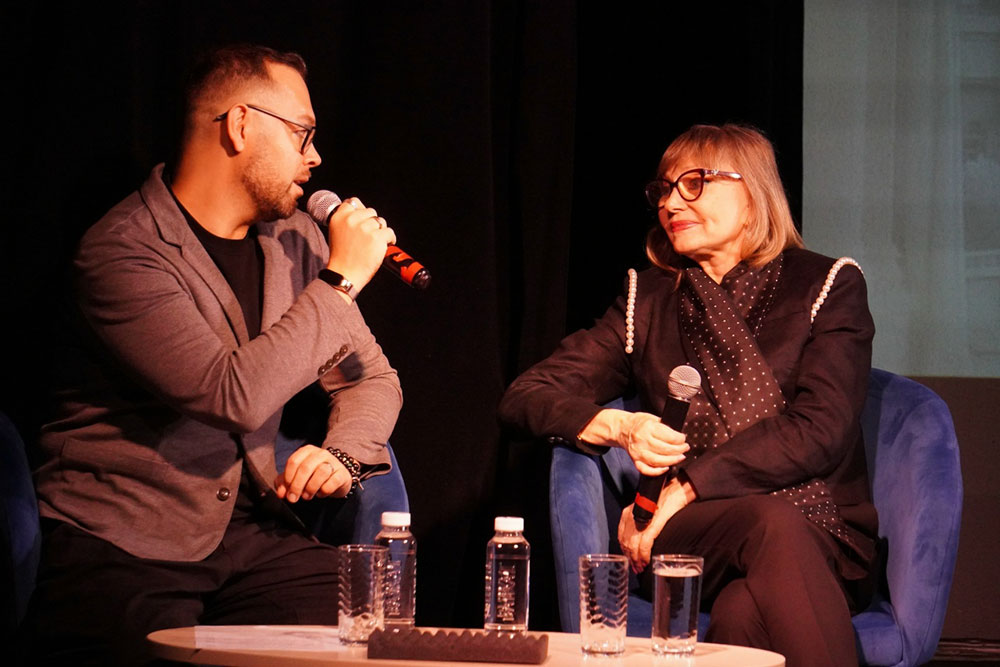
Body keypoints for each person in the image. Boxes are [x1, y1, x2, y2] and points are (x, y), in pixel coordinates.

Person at [23, 44, 403, 665]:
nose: (315, 157)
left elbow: (371, 378)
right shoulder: (123, 252)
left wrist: (344, 453)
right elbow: (230, 396)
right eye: (303, 134)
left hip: (254, 539)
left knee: (361, 641)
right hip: (123, 541)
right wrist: (341, 280)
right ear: (240, 125)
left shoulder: (295, 240)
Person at [499, 124, 877, 666]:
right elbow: (525, 396)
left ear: (753, 192)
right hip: (693, 533)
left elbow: (822, 428)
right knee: (769, 524)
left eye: (694, 184)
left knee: (742, 612)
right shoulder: (648, 299)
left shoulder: (827, 284)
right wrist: (620, 426)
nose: (671, 203)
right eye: (664, 189)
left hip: (821, 524)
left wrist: (685, 487)